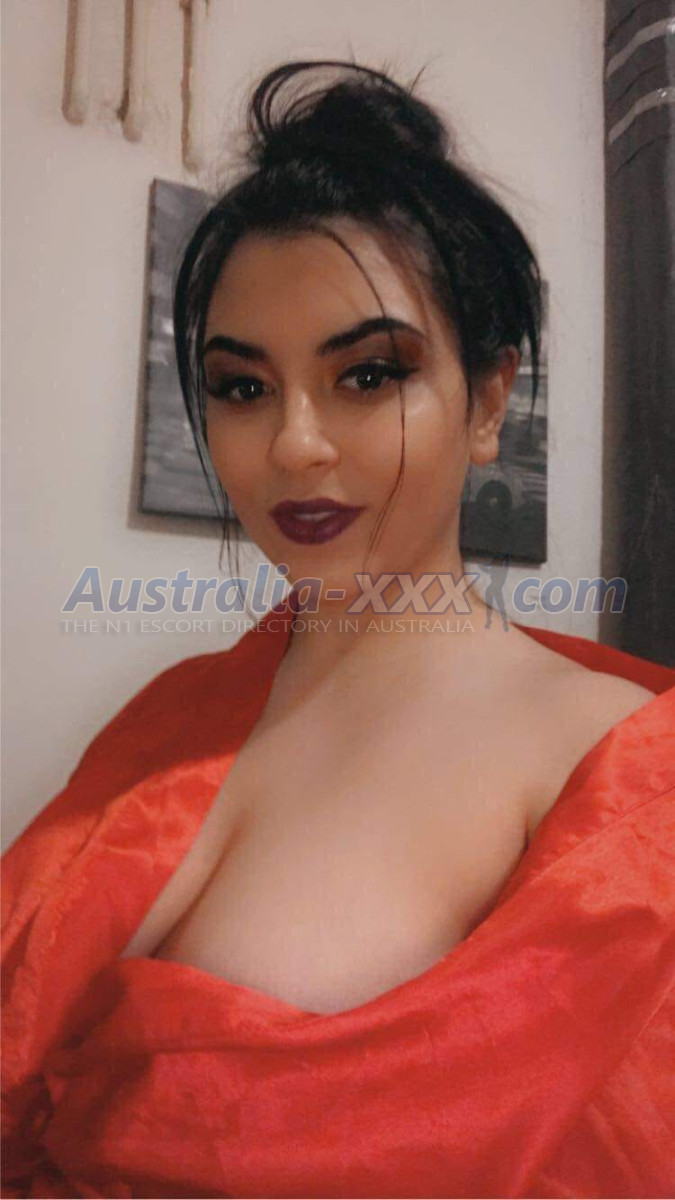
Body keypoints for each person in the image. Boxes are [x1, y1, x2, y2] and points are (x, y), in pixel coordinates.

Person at [2, 60, 673, 1200]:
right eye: (242, 387)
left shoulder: (624, 790)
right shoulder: (171, 712)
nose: (294, 445)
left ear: (490, 400)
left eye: (367, 374)